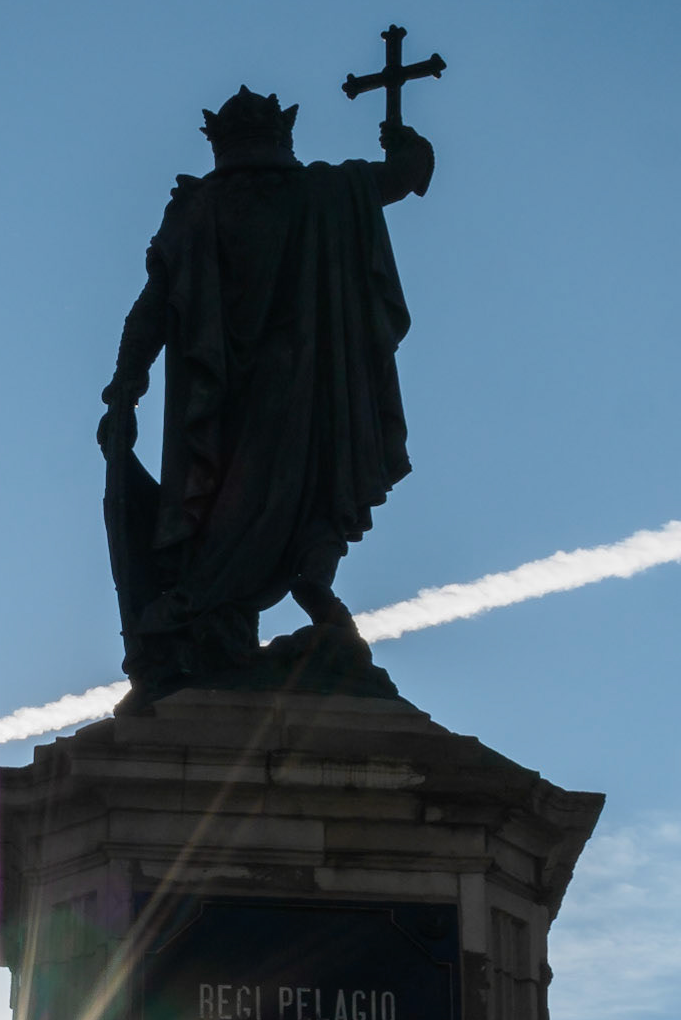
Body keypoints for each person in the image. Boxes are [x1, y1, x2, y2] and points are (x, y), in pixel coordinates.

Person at [98, 86, 433, 698]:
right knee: (319, 488)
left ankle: (202, 618)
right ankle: (297, 586)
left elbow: (153, 306)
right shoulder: (328, 193)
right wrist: (411, 145)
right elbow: (406, 174)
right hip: (308, 393)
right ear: (284, 138)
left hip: (217, 414)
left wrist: (125, 385)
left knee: (219, 517)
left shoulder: (199, 208)